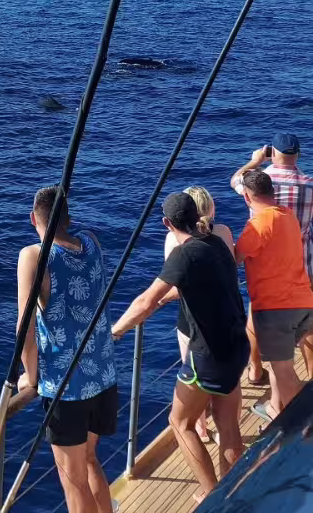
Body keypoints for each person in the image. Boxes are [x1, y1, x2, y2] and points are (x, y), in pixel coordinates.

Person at [112, 193, 248, 504]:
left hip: (209, 355)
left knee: (180, 422)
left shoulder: (184, 254)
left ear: (167, 223)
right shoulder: (217, 243)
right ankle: (232, 491)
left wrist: (116, 331)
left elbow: (146, 301)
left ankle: (213, 495)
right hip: (236, 345)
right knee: (227, 424)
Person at [16, 186, 117, 513]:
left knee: (72, 480)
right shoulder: (91, 241)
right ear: (69, 218)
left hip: (67, 389)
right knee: (90, 461)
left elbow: (24, 328)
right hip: (103, 377)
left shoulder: (33, 256)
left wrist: (30, 378)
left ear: (34, 219)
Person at [232, 133, 313, 380]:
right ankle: (310, 376)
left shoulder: (259, 182)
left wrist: (254, 162)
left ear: (273, 153)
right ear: (297, 155)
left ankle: (255, 371)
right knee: (307, 323)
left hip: (266, 266)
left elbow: (236, 180)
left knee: (256, 314)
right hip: (302, 263)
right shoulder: (310, 185)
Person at [164, 187, 235, 444]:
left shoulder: (175, 241)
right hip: (227, 318)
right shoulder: (224, 233)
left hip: (193, 322)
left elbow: (175, 285)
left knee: (194, 378)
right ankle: (225, 427)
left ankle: (201, 429)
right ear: (210, 208)